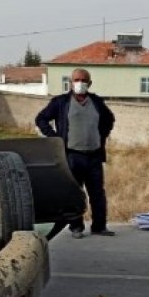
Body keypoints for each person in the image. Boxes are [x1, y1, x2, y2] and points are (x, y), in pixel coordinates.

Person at [34, 68, 116, 238]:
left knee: (97, 193)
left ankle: (99, 226)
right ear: (71, 83)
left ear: (89, 83)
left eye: (84, 80)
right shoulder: (61, 102)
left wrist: (101, 135)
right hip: (72, 155)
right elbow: (41, 119)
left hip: (94, 156)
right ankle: (76, 227)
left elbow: (109, 119)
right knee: (74, 192)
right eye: (77, 80)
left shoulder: (96, 102)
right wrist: (55, 137)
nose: (80, 83)